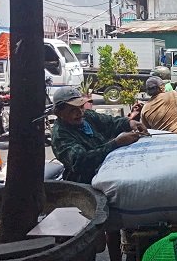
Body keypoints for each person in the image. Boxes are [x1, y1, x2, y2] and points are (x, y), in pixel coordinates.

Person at [51, 86, 148, 261]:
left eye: (80, 107)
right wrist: (115, 143)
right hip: (85, 189)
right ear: (59, 112)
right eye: (72, 110)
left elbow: (110, 122)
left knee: (114, 228)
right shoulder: (61, 135)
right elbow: (81, 162)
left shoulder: (86, 118)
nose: (79, 113)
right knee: (90, 240)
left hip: (107, 177)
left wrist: (130, 123)